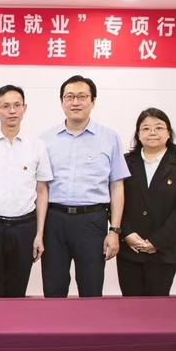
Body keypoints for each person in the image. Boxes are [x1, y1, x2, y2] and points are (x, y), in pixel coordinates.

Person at [40, 75, 130, 298]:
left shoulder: (109, 138)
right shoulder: (45, 139)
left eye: (82, 96)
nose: (75, 102)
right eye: (69, 97)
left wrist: (115, 231)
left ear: (93, 101)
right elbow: (40, 188)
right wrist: (39, 231)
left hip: (92, 221)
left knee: (91, 288)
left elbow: (117, 186)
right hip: (54, 220)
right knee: (53, 288)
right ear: (61, 101)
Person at [0, 85, 52, 297]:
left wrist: (39, 234)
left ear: (24, 108)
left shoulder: (37, 146)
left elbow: (42, 191)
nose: (12, 111)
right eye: (5, 106)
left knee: (18, 291)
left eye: (17, 105)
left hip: (24, 227)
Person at [117, 108, 176, 296]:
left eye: (159, 127)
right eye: (146, 128)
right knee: (130, 303)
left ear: (168, 133)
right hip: (130, 248)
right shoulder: (124, 163)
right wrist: (127, 233)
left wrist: (156, 241)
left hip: (164, 250)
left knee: (158, 305)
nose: (152, 132)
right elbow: (113, 202)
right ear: (138, 134)